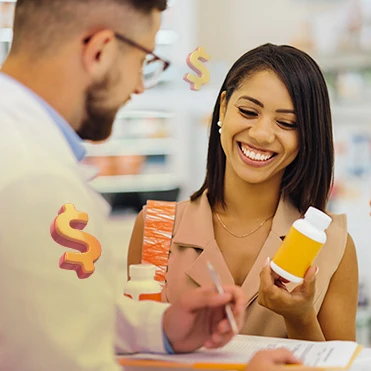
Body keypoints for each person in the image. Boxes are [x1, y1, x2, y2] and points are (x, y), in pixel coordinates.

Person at [0, 1, 316, 370]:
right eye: (142, 63)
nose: (137, 86)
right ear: (99, 51)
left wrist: (160, 327)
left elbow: (49, 312)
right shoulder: (30, 178)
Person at [128, 43, 359, 341]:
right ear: (223, 107)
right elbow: (134, 351)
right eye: (249, 111)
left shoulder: (333, 246)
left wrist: (299, 318)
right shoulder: (155, 227)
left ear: (307, 136)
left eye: (286, 123)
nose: (262, 134)